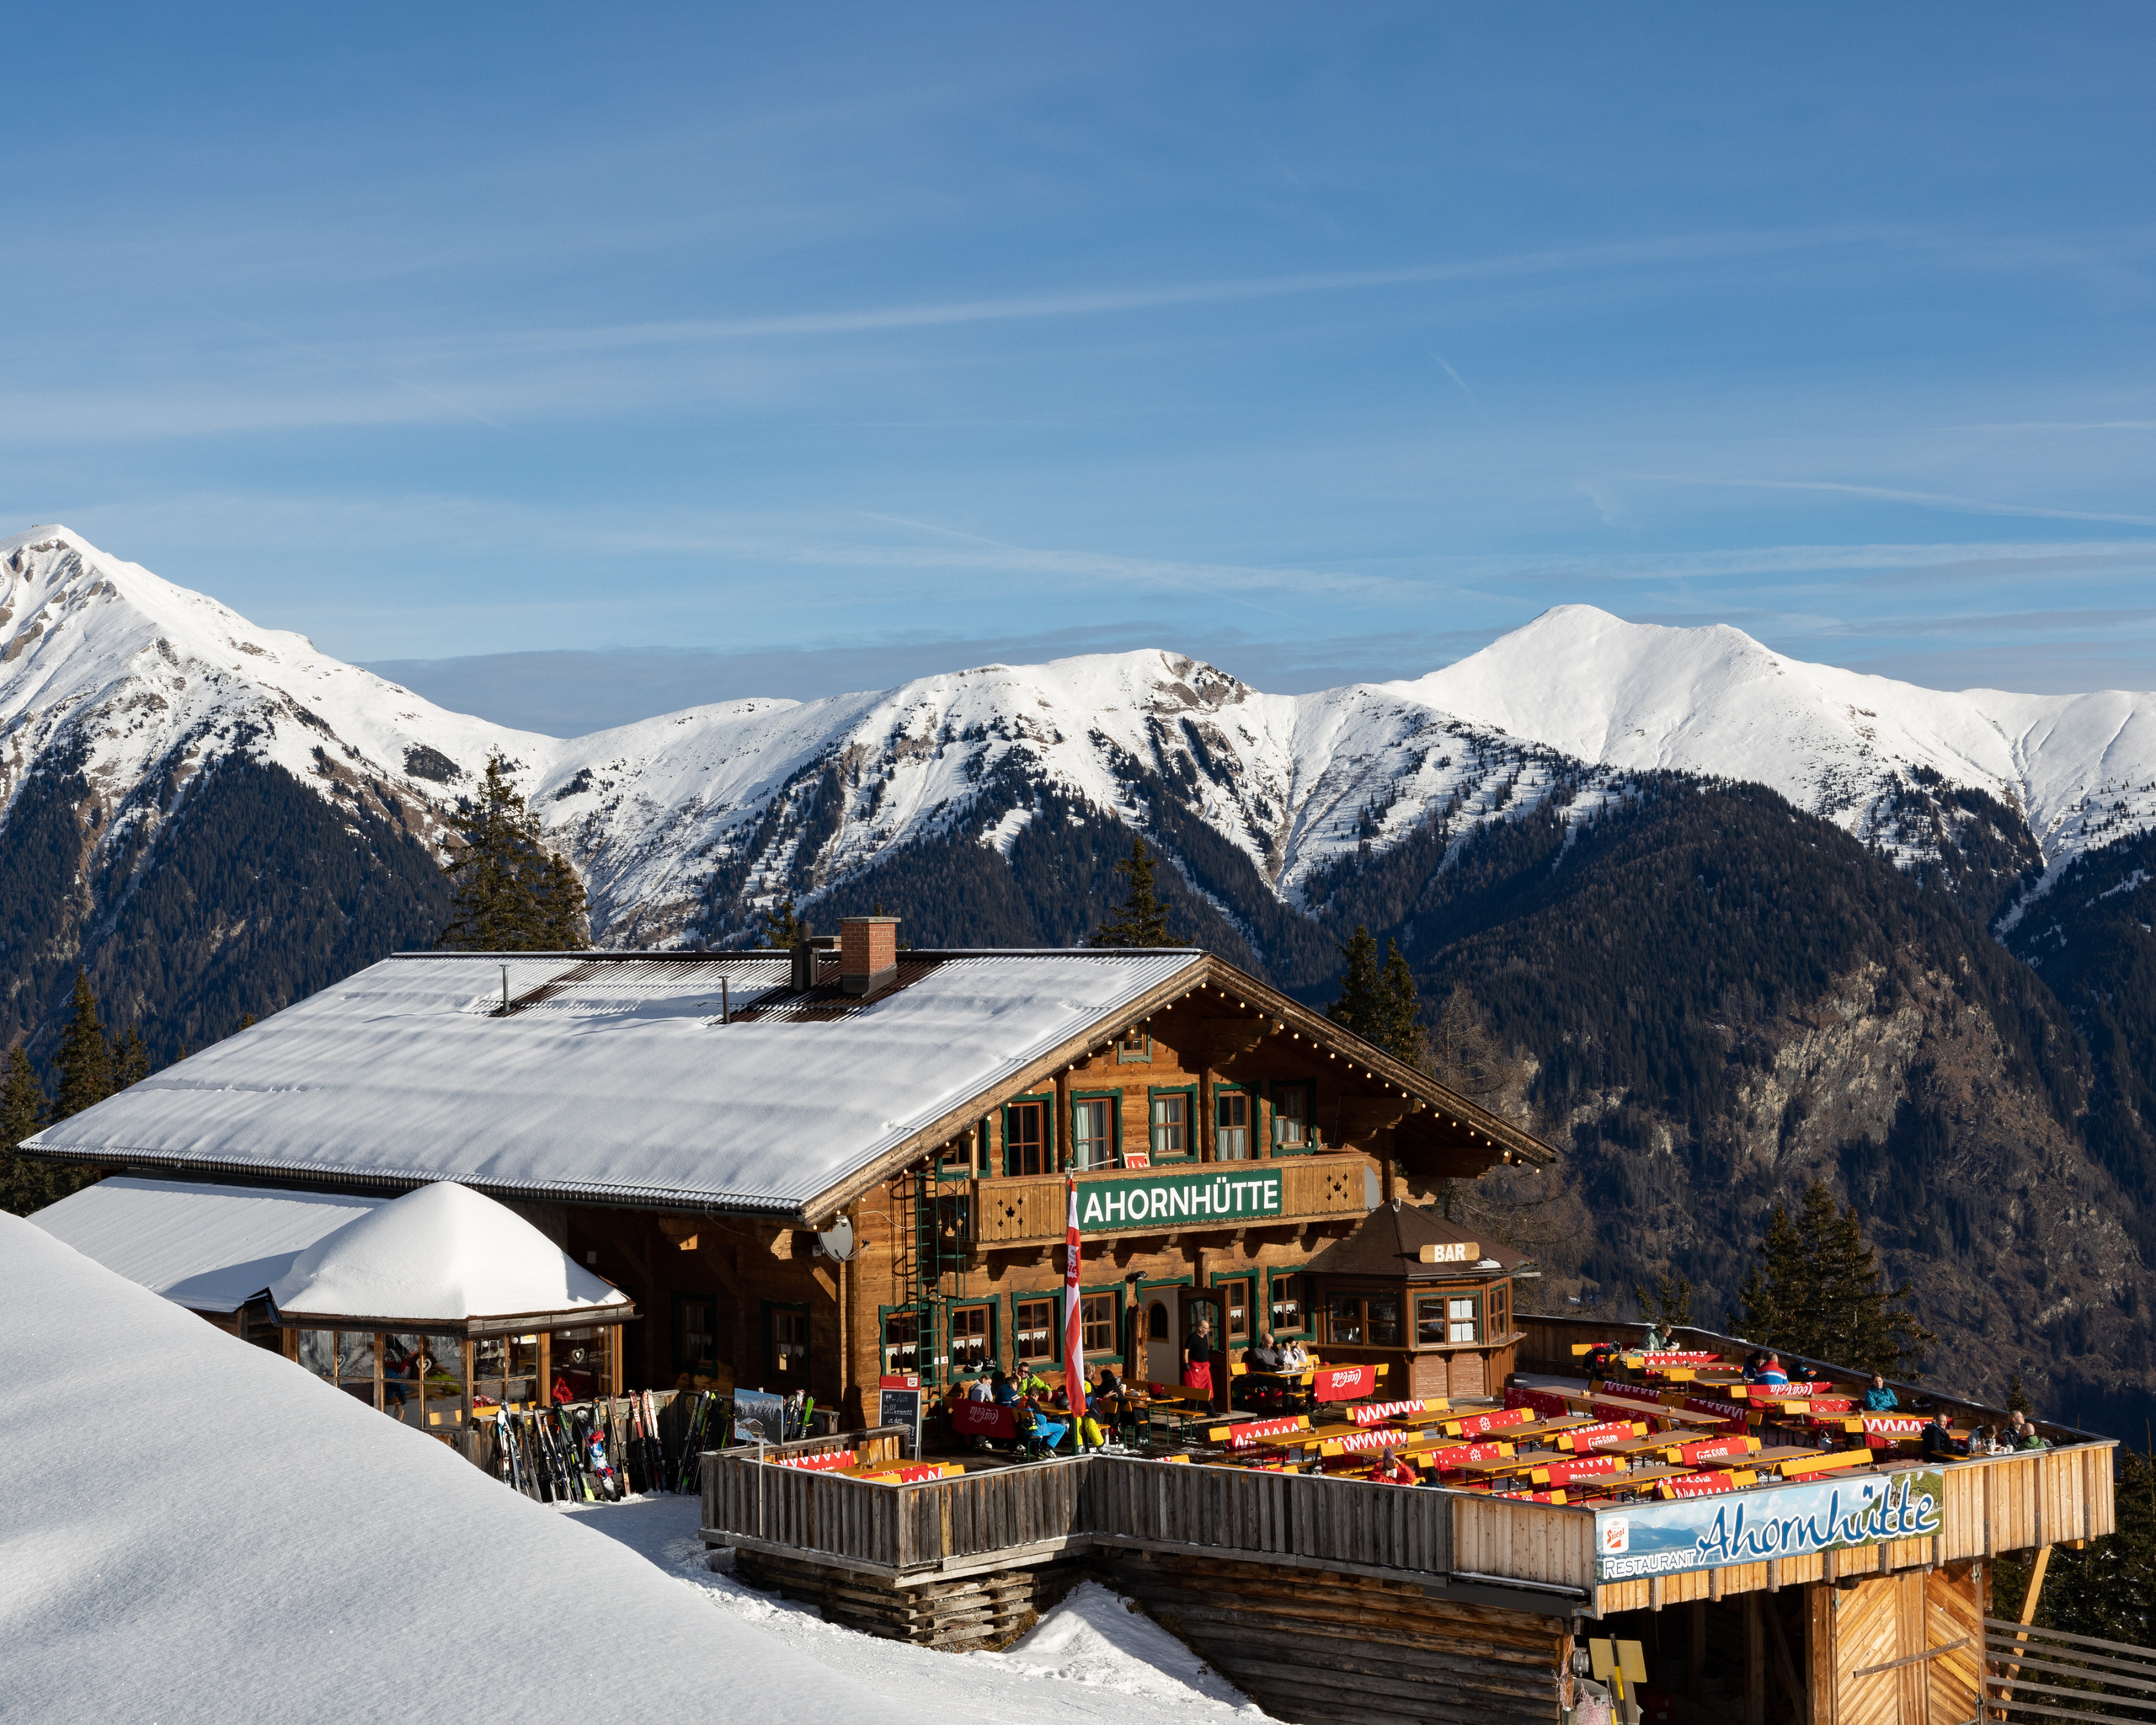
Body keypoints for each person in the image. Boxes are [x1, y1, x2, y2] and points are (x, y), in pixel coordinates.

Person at [1182, 1316, 1217, 1407]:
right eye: (1206, 1328)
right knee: (1191, 1386)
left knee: (1209, 1387)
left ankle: (1211, 1410)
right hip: (1195, 1366)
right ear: (1200, 1328)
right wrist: (1186, 1363)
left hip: (1205, 1367)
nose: (1208, 1330)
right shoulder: (1192, 1337)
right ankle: (1185, 1409)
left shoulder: (1204, 1337)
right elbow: (1186, 1351)